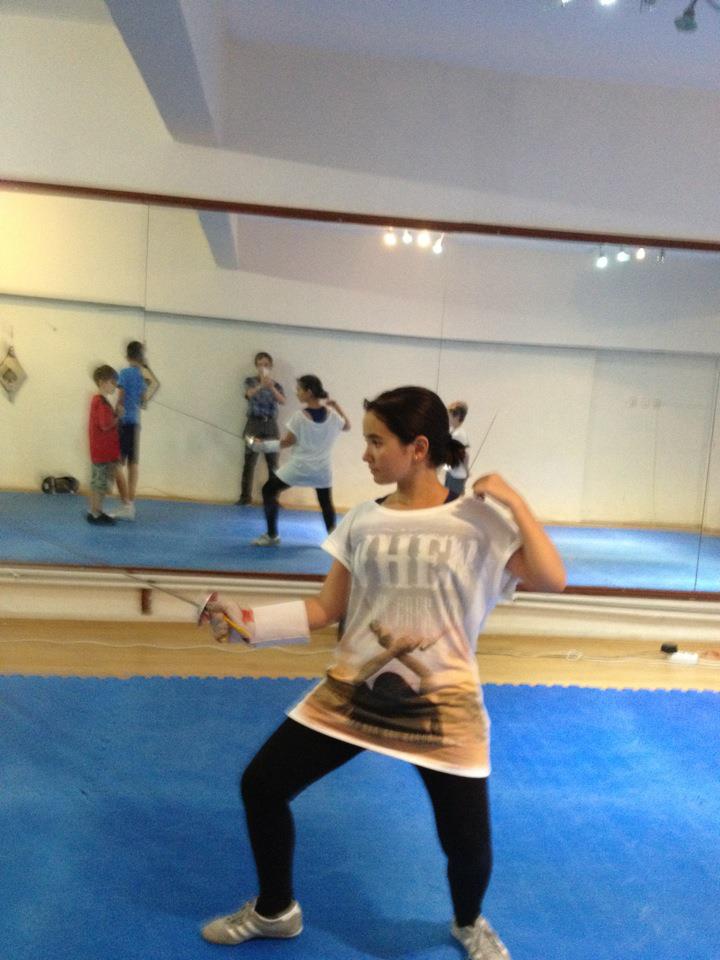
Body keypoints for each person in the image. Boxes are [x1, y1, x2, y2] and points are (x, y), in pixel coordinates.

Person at [200, 385, 566, 960]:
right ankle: (275, 911)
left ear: (418, 448)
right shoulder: (362, 520)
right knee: (262, 785)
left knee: (467, 845)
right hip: (354, 692)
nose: (364, 452)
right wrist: (250, 623)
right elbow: (326, 608)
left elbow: (551, 577)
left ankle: (468, 923)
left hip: (443, 702)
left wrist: (516, 503)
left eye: (376, 441)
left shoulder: (478, 521)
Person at [252, 374, 350, 545]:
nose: (297, 393)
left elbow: (287, 442)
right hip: (322, 470)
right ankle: (335, 542)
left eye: (299, 389)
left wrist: (262, 445)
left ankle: (272, 536)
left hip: (299, 468)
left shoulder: (299, 417)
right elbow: (347, 426)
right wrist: (337, 407)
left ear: (309, 392)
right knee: (326, 503)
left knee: (268, 490)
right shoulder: (333, 416)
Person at [238, 352, 286, 505]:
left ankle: (272, 499)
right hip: (253, 423)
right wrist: (261, 385)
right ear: (256, 366)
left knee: (273, 464)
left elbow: (282, 401)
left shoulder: (276, 385)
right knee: (249, 462)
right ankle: (245, 498)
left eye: (266, 364)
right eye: (260, 365)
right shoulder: (250, 381)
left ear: (270, 366)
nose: (263, 367)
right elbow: (248, 394)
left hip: (270, 424)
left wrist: (271, 387)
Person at [86, 364, 126, 525]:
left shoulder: (99, 401)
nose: (115, 386)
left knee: (99, 483)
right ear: (102, 382)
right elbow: (105, 424)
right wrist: (118, 416)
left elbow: (105, 422)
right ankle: (96, 513)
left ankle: (96, 511)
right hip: (101, 452)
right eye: (112, 382)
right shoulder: (101, 402)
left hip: (102, 451)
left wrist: (115, 414)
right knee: (99, 484)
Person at [114, 340, 147, 520]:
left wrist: (115, 414)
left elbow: (120, 397)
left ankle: (125, 504)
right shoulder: (141, 376)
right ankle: (131, 503)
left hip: (124, 423)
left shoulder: (124, 373)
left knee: (116, 463)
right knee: (133, 464)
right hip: (135, 424)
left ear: (127, 356)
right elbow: (143, 402)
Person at [444, 400, 470, 496]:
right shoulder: (454, 432)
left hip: (456, 475)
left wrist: (466, 471)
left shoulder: (459, 435)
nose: (448, 419)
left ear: (457, 417)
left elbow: (465, 455)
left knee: (452, 498)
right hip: (452, 473)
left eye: (449, 416)